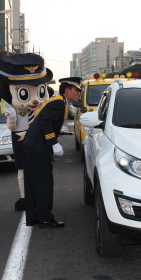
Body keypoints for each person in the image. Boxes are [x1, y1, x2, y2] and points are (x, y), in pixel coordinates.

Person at [0, 53, 54, 211]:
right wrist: (11, 118)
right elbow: (11, 126)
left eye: (41, 92)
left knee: (41, 168)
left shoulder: (44, 108)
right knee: (22, 168)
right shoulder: (12, 109)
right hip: (22, 138)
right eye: (24, 93)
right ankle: (25, 196)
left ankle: (40, 196)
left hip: (40, 140)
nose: (35, 100)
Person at [22, 77, 81, 228]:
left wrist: (58, 133)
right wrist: (53, 143)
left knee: (33, 184)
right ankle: (45, 218)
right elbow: (46, 122)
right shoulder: (58, 104)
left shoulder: (57, 101)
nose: (79, 94)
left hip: (32, 146)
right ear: (67, 91)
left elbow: (46, 122)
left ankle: (33, 217)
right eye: (77, 90)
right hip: (38, 148)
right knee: (44, 183)